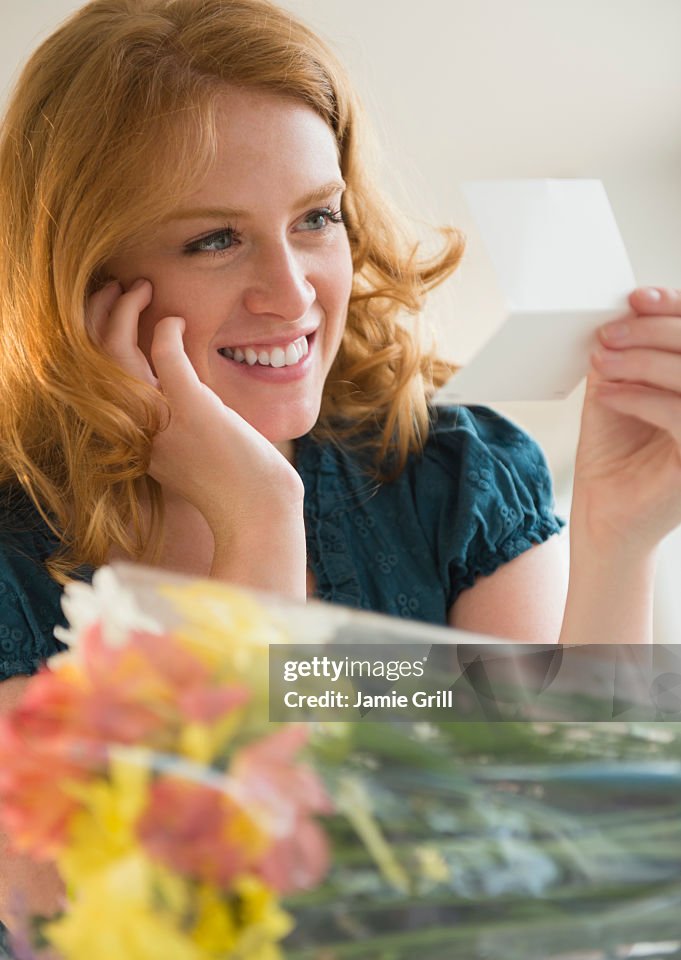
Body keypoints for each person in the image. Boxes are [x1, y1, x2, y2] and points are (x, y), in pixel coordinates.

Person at [0, 0, 679, 686]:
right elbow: (223, 792)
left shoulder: (451, 482)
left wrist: (614, 539)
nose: (294, 295)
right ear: (85, 279)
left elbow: (564, 787)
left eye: (316, 217)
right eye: (215, 240)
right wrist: (257, 523)